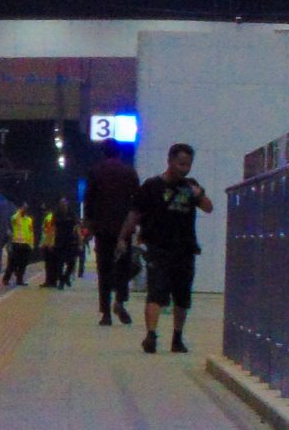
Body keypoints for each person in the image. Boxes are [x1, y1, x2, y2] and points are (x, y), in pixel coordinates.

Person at [123, 141, 214, 354]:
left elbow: (209, 208)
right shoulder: (152, 186)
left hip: (185, 249)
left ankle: (177, 338)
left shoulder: (191, 186)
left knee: (182, 296)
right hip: (158, 248)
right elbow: (135, 213)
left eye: (188, 164)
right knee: (156, 292)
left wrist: (199, 195)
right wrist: (124, 238)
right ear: (170, 161)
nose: (184, 169)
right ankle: (151, 335)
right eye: (181, 164)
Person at [84, 142, 141, 326]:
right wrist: (136, 224)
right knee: (123, 266)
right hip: (124, 228)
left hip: (102, 228)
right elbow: (137, 200)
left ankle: (106, 313)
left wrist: (89, 225)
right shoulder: (129, 172)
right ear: (119, 153)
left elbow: (89, 200)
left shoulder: (95, 171)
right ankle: (120, 301)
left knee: (104, 269)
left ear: (104, 153)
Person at [5, 204, 36, 286]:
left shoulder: (29, 220)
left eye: (26, 208)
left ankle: (20, 280)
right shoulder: (15, 218)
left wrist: (31, 244)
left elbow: (31, 232)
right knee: (12, 263)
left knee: (23, 264)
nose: (24, 210)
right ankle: (6, 279)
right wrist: (19, 211)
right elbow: (14, 218)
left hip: (26, 244)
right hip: (17, 243)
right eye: (23, 208)